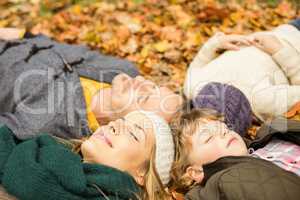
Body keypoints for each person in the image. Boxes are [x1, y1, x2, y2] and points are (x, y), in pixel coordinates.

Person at [0, 28, 183, 139]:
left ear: (129, 127)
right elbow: (65, 49)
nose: (141, 80)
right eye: (154, 85)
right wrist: (24, 34)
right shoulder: (124, 69)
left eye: (144, 97)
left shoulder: (49, 121)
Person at [0, 110, 175, 200]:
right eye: (120, 121)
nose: (114, 125)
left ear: (142, 175)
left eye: (134, 134)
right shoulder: (35, 151)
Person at [170, 86, 300, 200]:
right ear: (196, 172)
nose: (223, 132)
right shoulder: (222, 183)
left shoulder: (271, 135)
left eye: (223, 127)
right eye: (209, 138)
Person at [184, 18, 300, 122]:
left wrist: (217, 44)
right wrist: (279, 50)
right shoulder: (262, 101)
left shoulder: (194, 86)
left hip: (285, 30)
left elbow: (199, 62)